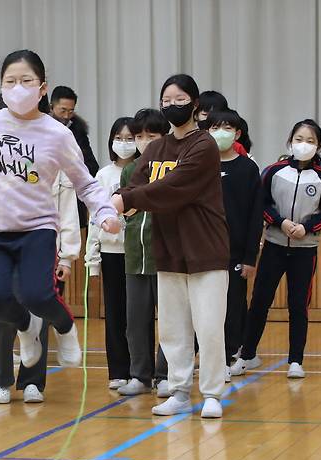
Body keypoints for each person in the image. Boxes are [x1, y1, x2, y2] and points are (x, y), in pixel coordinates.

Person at [0, 49, 119, 373]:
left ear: (42, 87)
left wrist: (104, 212)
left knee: (38, 294)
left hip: (37, 228)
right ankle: (26, 328)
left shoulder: (58, 134)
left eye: (26, 81)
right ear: (2, 86)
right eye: (11, 81)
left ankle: (64, 327)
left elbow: (85, 183)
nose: (18, 87)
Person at [112, 74, 230, 419]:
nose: (172, 106)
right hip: (168, 250)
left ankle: (211, 393)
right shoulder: (158, 148)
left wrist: (127, 200)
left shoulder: (204, 145)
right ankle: (178, 390)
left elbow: (174, 187)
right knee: (173, 327)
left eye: (180, 100)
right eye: (166, 100)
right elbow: (135, 183)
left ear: (194, 105)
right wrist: (116, 205)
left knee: (208, 327)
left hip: (205, 249)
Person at [232, 119, 321, 378]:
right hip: (275, 247)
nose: (304, 145)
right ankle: (246, 356)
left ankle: (295, 361)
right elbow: (262, 204)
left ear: (319, 145)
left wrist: (308, 227)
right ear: (290, 141)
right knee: (259, 302)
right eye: (299, 139)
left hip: (305, 250)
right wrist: (281, 222)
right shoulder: (273, 171)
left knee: (298, 305)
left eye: (310, 141)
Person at [0, 170, 81, 404]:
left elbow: (68, 213)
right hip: (5, 245)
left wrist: (67, 257)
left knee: (39, 311)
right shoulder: (6, 156)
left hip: (43, 249)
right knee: (4, 313)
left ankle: (32, 381)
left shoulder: (60, 165)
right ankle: (2, 380)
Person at [205, 109, 264, 380]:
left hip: (236, 252)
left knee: (232, 305)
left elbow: (255, 217)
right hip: (204, 251)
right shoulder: (200, 165)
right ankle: (209, 360)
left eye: (227, 128)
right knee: (207, 309)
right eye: (215, 127)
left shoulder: (248, 168)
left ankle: (230, 358)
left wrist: (251, 257)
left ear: (237, 134)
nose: (221, 133)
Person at [116, 109, 170, 398]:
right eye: (139, 136)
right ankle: (140, 374)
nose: (144, 141)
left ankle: (166, 374)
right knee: (135, 320)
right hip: (135, 255)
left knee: (170, 321)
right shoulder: (129, 170)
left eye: (152, 135)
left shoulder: (174, 167)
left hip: (166, 256)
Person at [85, 116, 134, 390]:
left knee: (137, 314)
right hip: (111, 251)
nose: (124, 144)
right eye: (119, 138)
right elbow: (95, 218)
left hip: (138, 252)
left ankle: (141, 368)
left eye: (130, 138)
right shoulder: (103, 175)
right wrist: (92, 260)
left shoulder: (143, 170)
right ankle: (118, 370)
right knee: (114, 313)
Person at [50, 85, 100, 228]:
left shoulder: (78, 130)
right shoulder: (40, 128)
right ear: (52, 106)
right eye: (63, 110)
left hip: (73, 193)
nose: (66, 116)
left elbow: (91, 164)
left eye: (71, 111)